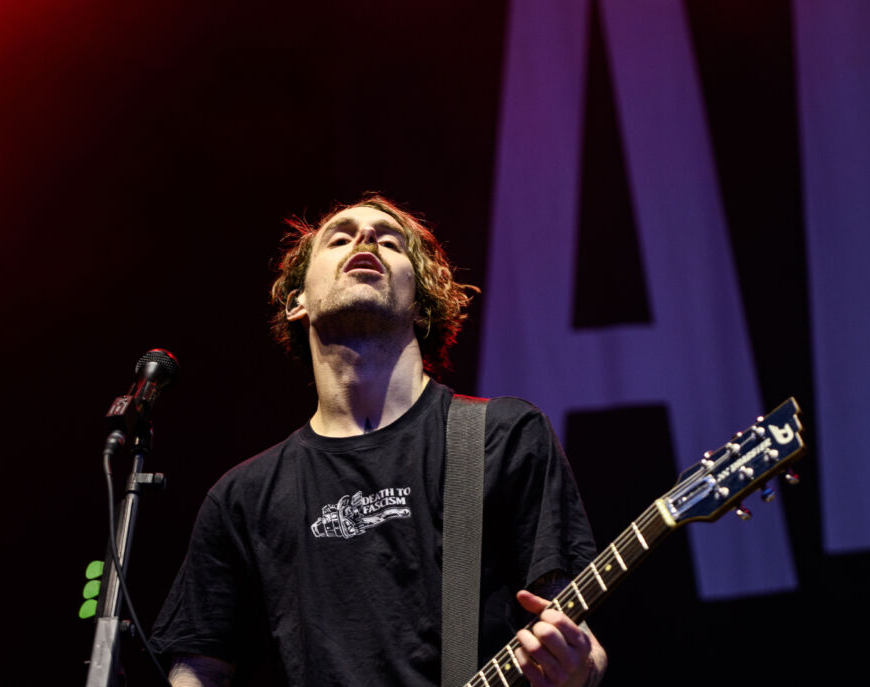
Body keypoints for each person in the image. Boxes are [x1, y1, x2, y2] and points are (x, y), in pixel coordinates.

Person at [150, 195, 607, 687]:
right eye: (339, 238)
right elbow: (197, 668)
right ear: (297, 302)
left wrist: (577, 671)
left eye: (390, 242)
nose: (365, 238)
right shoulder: (243, 497)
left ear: (422, 304)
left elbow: (574, 631)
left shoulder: (503, 436)